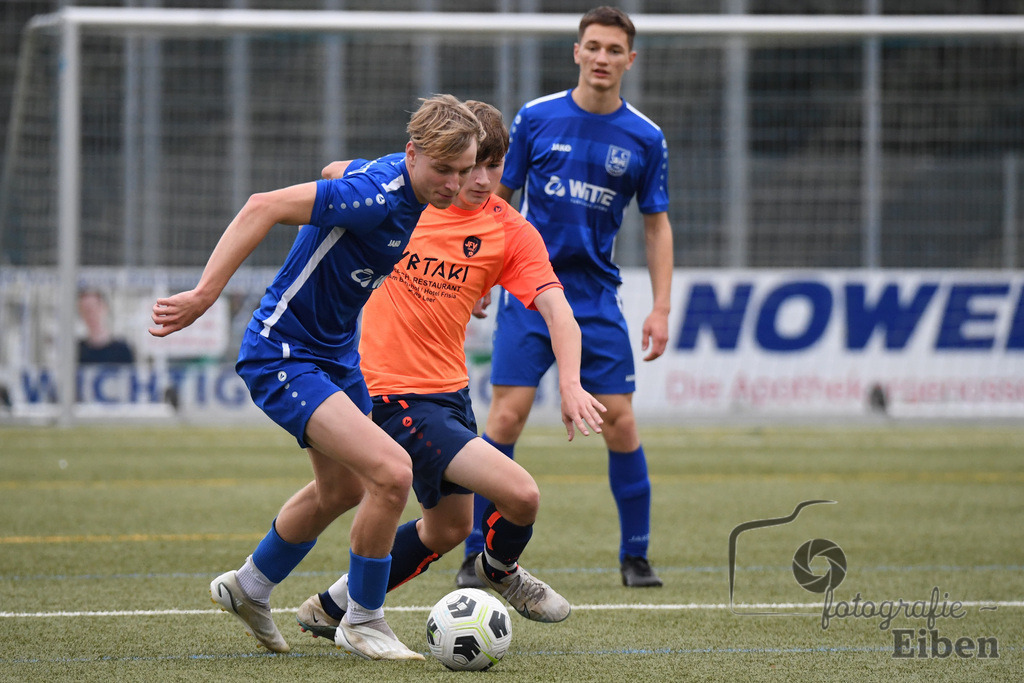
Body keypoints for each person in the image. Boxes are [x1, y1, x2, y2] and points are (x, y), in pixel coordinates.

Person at [148, 94, 483, 660]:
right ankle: (363, 620)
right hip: (282, 352)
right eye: (443, 170)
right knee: (392, 473)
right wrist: (205, 295)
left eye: (464, 170)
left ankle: (249, 586)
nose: (454, 184)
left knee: (345, 489)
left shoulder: (402, 187)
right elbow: (262, 205)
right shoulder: (375, 197)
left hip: (335, 356)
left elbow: (334, 168)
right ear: (412, 155)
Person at [293, 101, 605, 640]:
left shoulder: (509, 231)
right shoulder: (405, 195)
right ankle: (500, 570)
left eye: (494, 166)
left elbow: (559, 313)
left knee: (448, 528)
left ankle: (332, 604)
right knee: (522, 495)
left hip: (450, 395)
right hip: (391, 394)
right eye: (471, 167)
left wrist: (572, 382)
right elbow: (331, 173)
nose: (481, 180)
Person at [460, 6, 674, 589]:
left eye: (614, 50)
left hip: (596, 299)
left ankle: (635, 556)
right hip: (528, 293)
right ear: (577, 52)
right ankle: (476, 552)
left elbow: (656, 225)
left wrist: (661, 306)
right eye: (593, 46)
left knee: (620, 423)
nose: (602, 57)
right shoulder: (536, 118)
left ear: (630, 60)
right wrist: (478, 276)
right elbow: (495, 200)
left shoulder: (645, 137)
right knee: (507, 415)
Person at [78, 288, 135, 365]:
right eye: (85, 310)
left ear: (104, 308)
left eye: (94, 308)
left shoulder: (122, 350)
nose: (91, 315)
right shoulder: (77, 351)